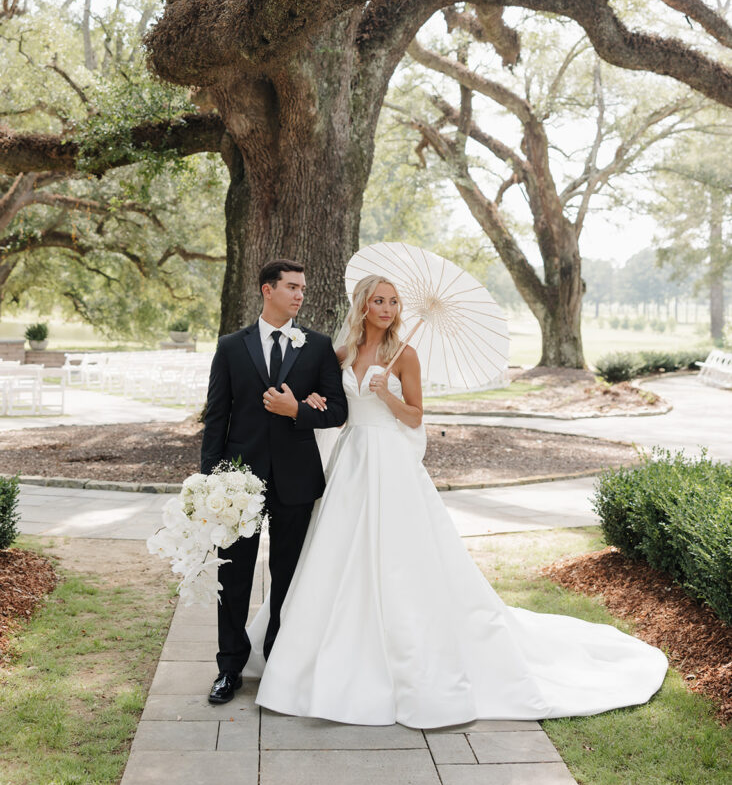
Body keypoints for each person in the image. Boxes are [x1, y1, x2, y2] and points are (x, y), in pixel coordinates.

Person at [243, 273, 668, 728]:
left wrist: (387, 394)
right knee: (332, 553)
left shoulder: (405, 356)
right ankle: (312, 657)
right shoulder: (341, 353)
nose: (387, 309)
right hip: (351, 463)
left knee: (399, 559)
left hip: (391, 465)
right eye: (379, 301)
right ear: (363, 305)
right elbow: (333, 406)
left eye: (393, 302)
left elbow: (415, 417)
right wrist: (312, 400)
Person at [201, 258, 347, 704]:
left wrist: (298, 411)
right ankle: (229, 669)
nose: (300, 294)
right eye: (291, 287)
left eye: (303, 287)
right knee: (234, 576)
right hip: (238, 484)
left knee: (288, 576)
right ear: (267, 290)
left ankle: (278, 660)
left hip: (296, 481)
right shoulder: (231, 346)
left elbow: (339, 410)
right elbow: (216, 417)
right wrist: (211, 481)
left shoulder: (318, 347)